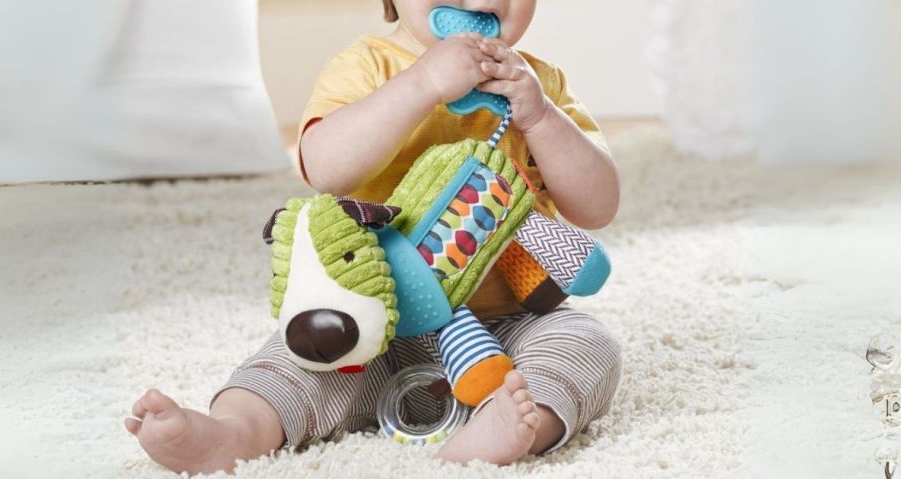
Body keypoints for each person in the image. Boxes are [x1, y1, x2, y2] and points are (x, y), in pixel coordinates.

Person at [125, 0, 622, 474]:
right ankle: (234, 430)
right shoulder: (367, 67)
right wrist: (423, 83)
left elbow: (597, 206)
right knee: (296, 359)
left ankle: (513, 423)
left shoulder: (540, 85)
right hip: (369, 326)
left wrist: (539, 117)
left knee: (586, 343)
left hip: (508, 326)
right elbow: (325, 168)